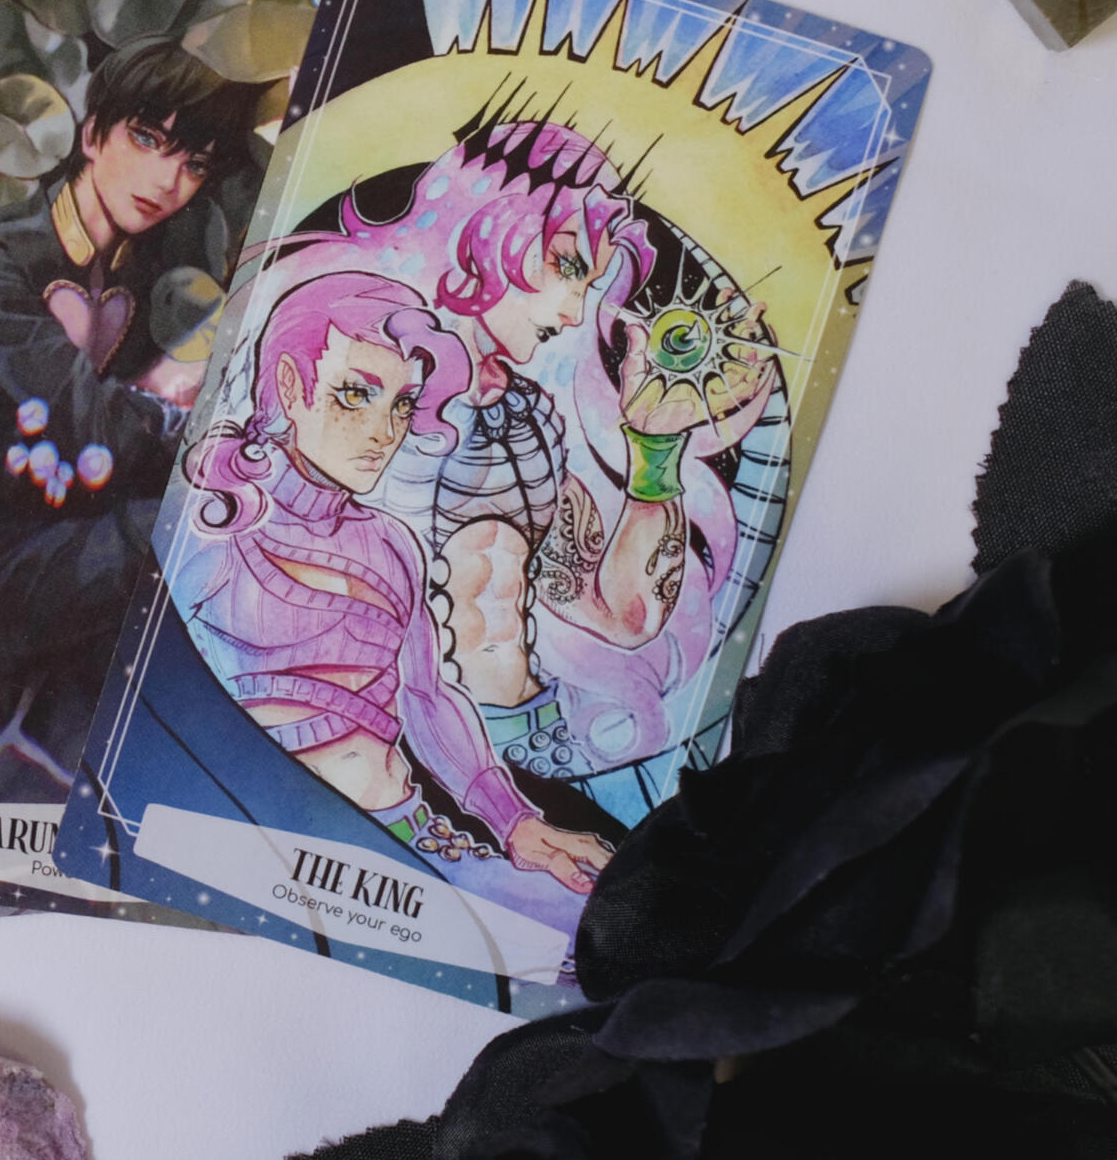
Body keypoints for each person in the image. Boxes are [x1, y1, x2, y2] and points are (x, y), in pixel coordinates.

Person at [268, 106, 775, 782]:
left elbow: (619, 617)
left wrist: (655, 451)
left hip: (525, 749)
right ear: (491, 226)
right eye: (566, 264)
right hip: (360, 747)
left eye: (588, 282)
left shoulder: (526, 416)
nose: (574, 309)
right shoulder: (354, 378)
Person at [181, 272, 610, 894]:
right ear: (291, 386)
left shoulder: (389, 543)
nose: (384, 432)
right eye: (356, 394)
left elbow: (427, 695)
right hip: (249, 838)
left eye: (403, 404)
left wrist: (516, 823)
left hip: (411, 843)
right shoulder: (217, 524)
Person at [0, 39, 264, 774]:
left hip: (80, 545)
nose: (167, 180)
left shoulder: (154, 262)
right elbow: (94, 426)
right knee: (188, 527)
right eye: (148, 139)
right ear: (93, 133)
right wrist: (200, 436)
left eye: (194, 165)